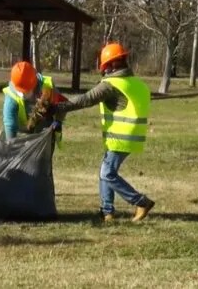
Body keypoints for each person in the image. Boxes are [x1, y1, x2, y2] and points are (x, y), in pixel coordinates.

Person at [52, 42, 154, 222]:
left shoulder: (110, 85)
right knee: (105, 171)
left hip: (121, 136)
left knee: (107, 173)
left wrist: (58, 107)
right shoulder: (136, 83)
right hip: (133, 134)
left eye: (105, 66)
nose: (104, 70)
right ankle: (107, 211)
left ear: (111, 65)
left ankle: (141, 202)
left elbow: (85, 99)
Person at [2, 61, 64, 141]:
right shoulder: (11, 96)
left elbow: (62, 104)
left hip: (44, 130)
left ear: (34, 84)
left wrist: (58, 120)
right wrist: (11, 144)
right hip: (20, 134)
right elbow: (10, 124)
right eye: (20, 91)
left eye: (26, 91)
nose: (23, 94)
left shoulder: (47, 86)